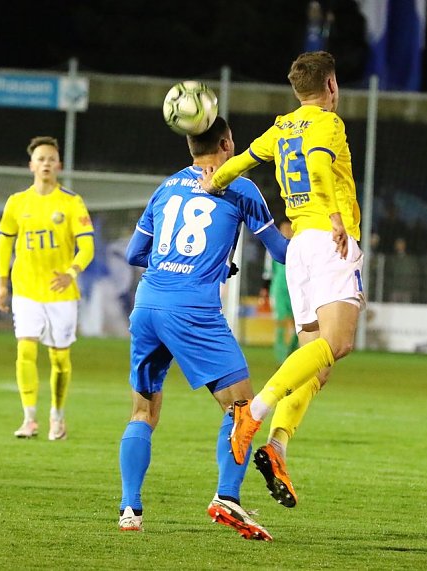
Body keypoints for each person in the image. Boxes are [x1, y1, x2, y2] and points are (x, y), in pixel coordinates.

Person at [200, 50, 362, 509]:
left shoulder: (282, 127)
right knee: (339, 343)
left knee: (317, 364)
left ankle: (277, 446)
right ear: (331, 85)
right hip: (329, 241)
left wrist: (214, 182)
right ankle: (253, 413)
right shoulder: (328, 124)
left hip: (299, 249)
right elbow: (318, 165)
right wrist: (336, 217)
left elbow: (244, 160)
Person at [117, 116, 289, 540]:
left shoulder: (167, 186)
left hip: (148, 303)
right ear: (227, 143)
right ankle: (227, 496)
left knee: (142, 412)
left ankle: (130, 509)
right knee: (242, 407)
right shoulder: (241, 187)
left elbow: (135, 253)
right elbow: (282, 252)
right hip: (192, 309)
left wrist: (186, 262)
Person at [0, 136, 95, 441]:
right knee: (25, 350)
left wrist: (71, 273)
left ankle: (57, 416)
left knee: (59, 360)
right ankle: (29, 419)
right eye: (41, 159)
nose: (46, 164)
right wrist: (2, 284)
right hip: (26, 289)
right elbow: (4, 244)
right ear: (31, 165)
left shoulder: (71, 202)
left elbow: (87, 246)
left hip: (61, 292)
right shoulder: (17, 202)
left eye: (51, 159)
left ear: (59, 165)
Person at [261, 220, 298, 364]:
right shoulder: (273, 247)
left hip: (295, 288)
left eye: (289, 229)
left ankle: (292, 353)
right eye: (284, 229)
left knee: (298, 324)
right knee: (281, 322)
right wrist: (264, 288)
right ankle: (281, 357)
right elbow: (268, 271)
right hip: (279, 289)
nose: (287, 231)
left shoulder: (298, 246)